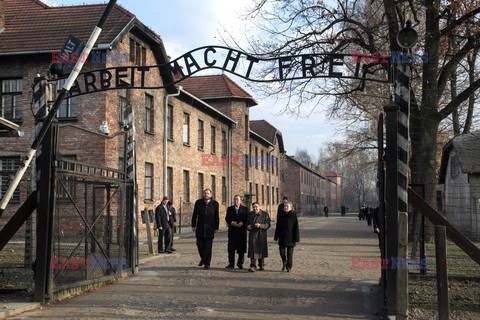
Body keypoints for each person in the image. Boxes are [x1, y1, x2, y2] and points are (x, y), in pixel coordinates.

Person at [191, 189, 219, 270]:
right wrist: (193, 225)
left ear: (211, 195)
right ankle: (203, 258)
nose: (206, 194)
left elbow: (216, 216)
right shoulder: (198, 202)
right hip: (200, 228)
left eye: (207, 193)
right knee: (199, 245)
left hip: (209, 229)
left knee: (208, 248)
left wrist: (216, 227)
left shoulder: (215, 204)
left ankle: (207, 264)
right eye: (205, 193)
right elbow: (194, 215)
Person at [274, 202, 299, 272]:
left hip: (291, 237)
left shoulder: (293, 216)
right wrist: (276, 237)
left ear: (291, 208)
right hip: (282, 236)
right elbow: (277, 226)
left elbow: (296, 227)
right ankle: (284, 261)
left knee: (289, 254)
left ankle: (289, 266)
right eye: (285, 206)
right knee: (281, 251)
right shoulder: (281, 215)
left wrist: (297, 238)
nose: (285, 207)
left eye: (287, 206)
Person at [225, 195, 248, 269]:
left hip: (241, 232)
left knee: (241, 249)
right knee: (231, 249)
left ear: (240, 201)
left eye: (237, 200)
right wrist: (232, 222)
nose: (236, 201)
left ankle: (240, 263)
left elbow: (247, 219)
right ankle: (231, 263)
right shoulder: (230, 209)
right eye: (234, 199)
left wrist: (243, 223)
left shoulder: (245, 209)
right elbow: (227, 218)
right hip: (232, 231)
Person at [247, 202, 271, 272]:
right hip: (253, 234)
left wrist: (261, 225)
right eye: (254, 207)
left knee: (261, 250)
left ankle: (261, 264)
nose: (255, 208)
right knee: (253, 251)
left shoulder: (265, 214)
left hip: (261, 234)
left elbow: (268, 224)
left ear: (259, 207)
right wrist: (248, 227)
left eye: (256, 207)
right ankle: (253, 266)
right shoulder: (249, 214)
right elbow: (246, 223)